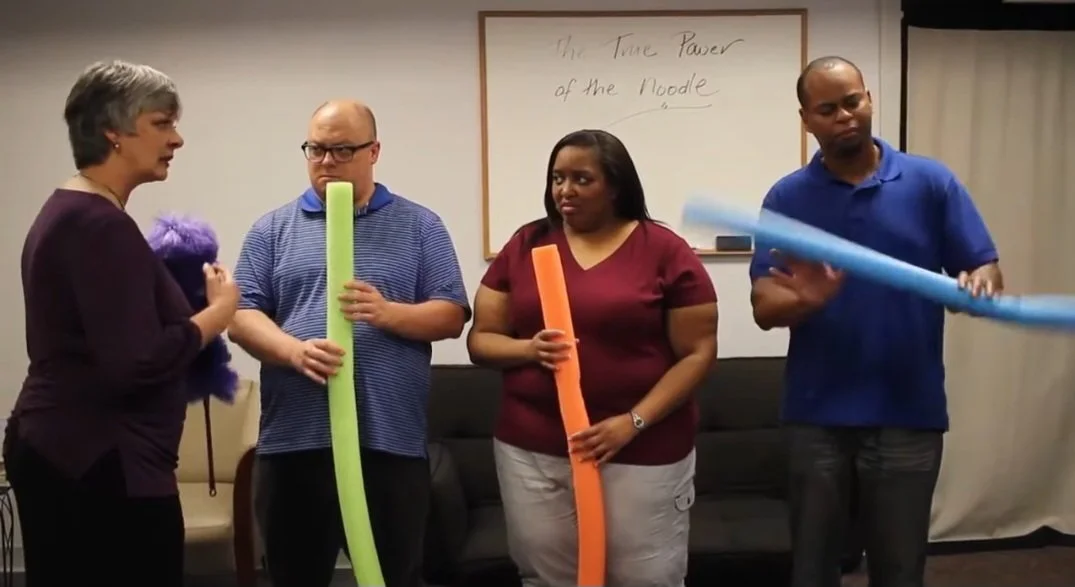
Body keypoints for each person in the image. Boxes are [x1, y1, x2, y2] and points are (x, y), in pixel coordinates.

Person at [748, 56, 1004, 587]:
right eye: (827, 109)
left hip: (907, 411)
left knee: (899, 571)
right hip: (817, 417)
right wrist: (808, 299)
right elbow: (764, 307)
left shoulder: (930, 182)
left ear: (868, 100)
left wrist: (979, 284)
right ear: (807, 120)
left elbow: (983, 266)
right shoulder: (787, 198)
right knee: (813, 570)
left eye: (852, 102)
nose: (844, 116)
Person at [4, 60, 240, 587]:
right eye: (161, 123)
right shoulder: (97, 225)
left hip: (70, 451)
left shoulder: (73, 212)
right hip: (98, 460)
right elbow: (136, 362)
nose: (176, 139)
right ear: (113, 130)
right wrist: (216, 314)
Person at [227, 99, 470, 587]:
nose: (326, 163)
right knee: (293, 575)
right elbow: (240, 314)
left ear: (373, 151)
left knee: (395, 574)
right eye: (316, 150)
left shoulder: (421, 226)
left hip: (388, 440)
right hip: (295, 440)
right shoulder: (272, 229)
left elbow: (451, 313)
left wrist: (388, 313)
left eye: (342, 150)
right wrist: (292, 350)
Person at [467, 129, 719, 587]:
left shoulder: (665, 252)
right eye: (557, 178)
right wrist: (529, 348)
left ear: (616, 186)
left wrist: (633, 422)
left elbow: (698, 354)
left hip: (641, 449)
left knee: (644, 578)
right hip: (534, 449)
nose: (565, 190)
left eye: (582, 179)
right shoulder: (526, 245)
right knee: (547, 576)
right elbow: (481, 340)